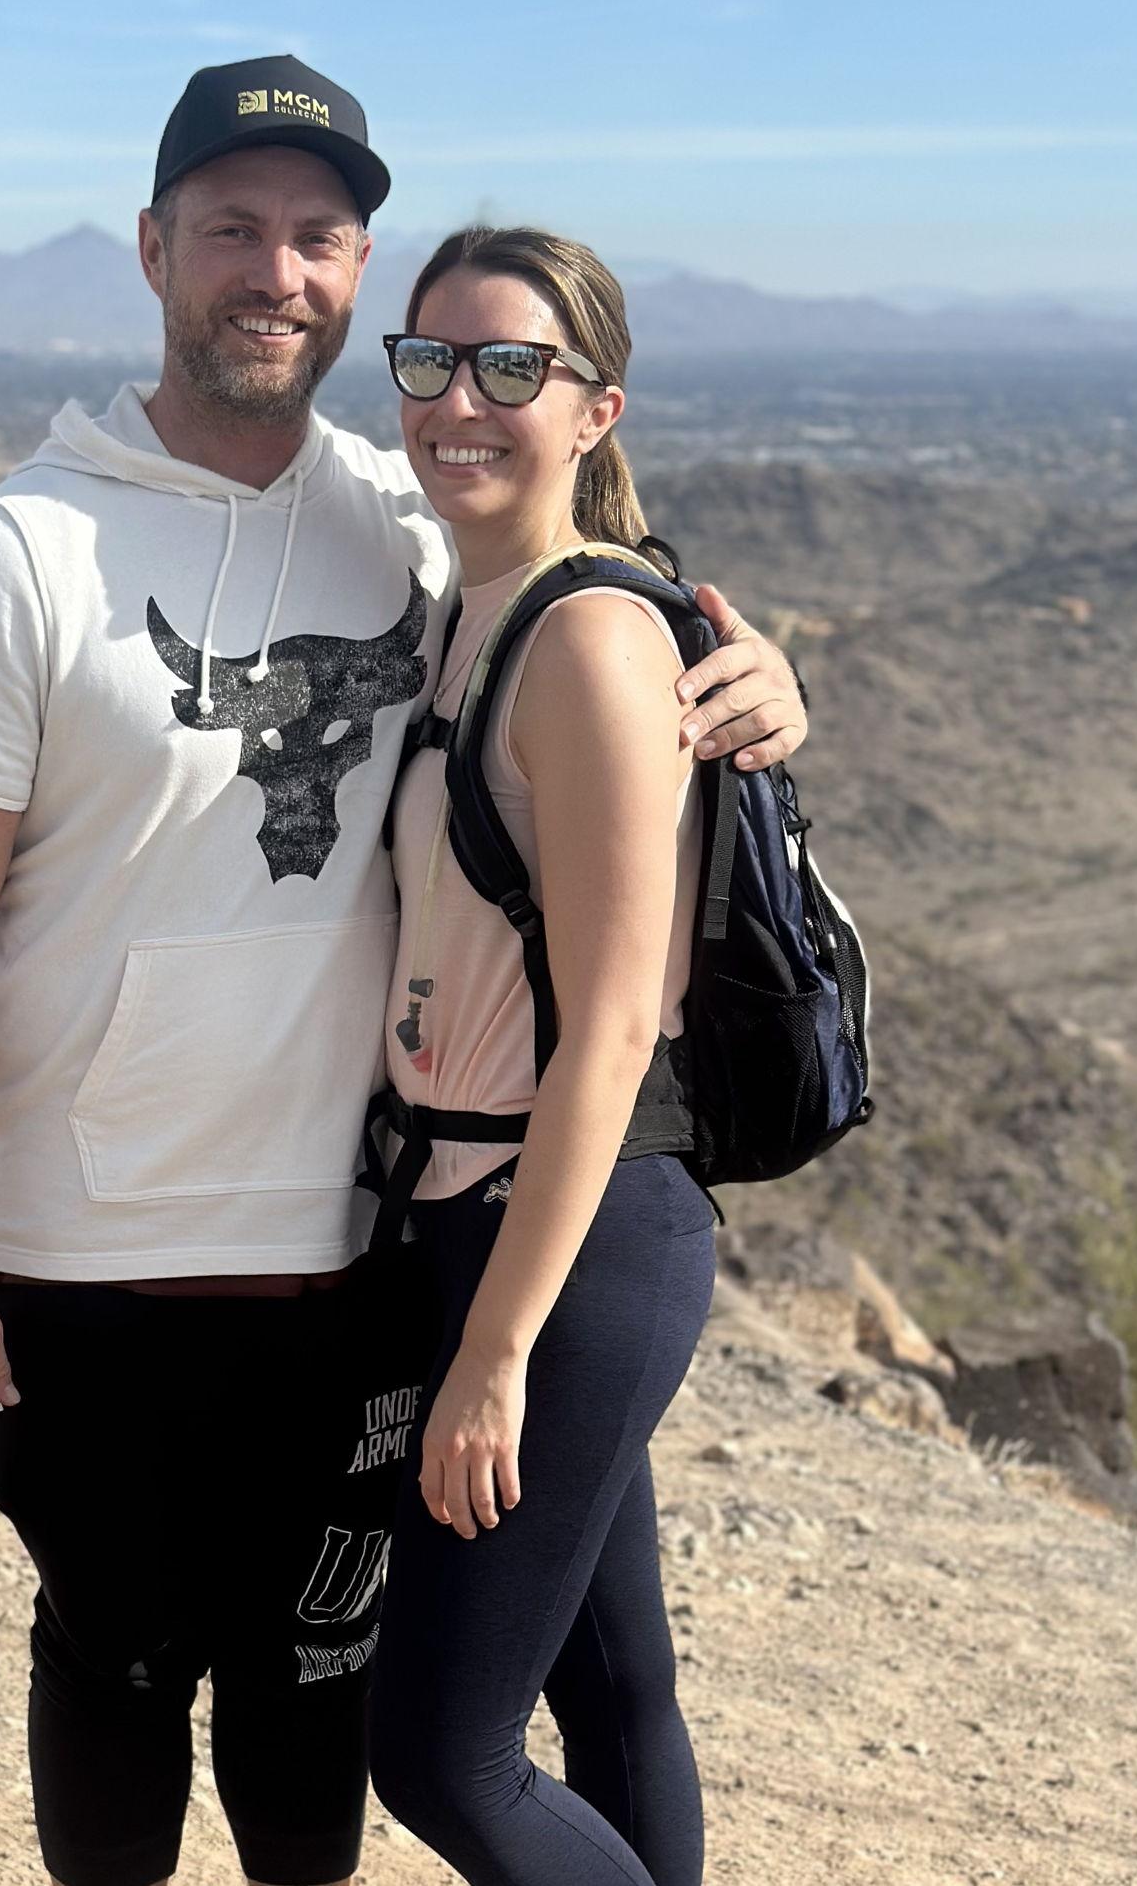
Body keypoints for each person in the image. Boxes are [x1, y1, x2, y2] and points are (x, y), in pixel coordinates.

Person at [0, 57, 806, 1886]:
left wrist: (758, 682)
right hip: (82, 1265)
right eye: (232, 229)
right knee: (116, 1680)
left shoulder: (403, 516)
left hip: (355, 1264)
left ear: (357, 272)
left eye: (315, 237)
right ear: (154, 250)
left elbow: (591, 606)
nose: (273, 272)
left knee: (319, 1728)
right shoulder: (17, 554)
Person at [362, 226, 727, 1886]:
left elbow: (616, 1031)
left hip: (564, 1240)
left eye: (511, 367)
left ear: (595, 410)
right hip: (487, 1216)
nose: (460, 400)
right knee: (611, 1686)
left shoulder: (583, 637)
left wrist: (496, 1350)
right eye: (430, 360)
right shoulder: (472, 606)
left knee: (443, 1753)